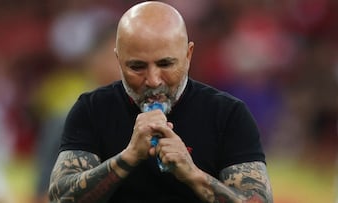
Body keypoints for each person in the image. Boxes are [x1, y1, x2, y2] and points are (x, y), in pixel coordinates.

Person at [48, 1, 273, 203]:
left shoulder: (227, 114)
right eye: (137, 67)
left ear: (188, 54)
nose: (153, 80)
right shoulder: (92, 109)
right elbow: (60, 197)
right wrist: (128, 158)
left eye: (165, 64)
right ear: (119, 60)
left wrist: (192, 173)